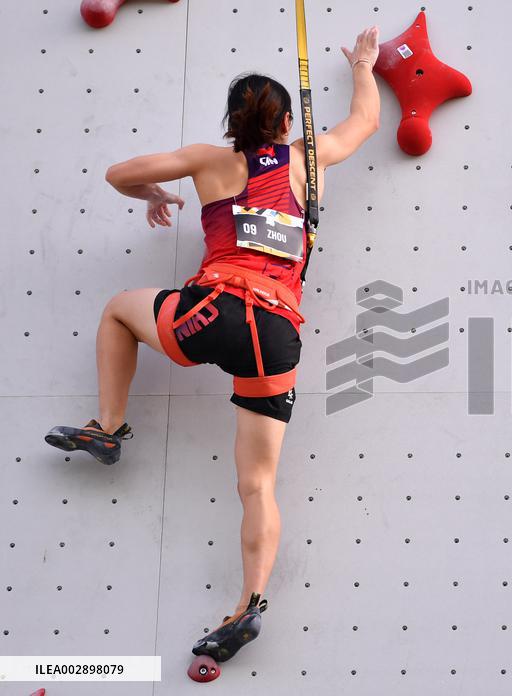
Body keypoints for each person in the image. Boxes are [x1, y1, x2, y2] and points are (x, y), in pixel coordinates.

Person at [45, 26, 381, 660]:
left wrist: (152, 193)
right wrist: (364, 65)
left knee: (119, 311)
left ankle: (109, 427)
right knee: (257, 483)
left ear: (232, 125)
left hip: (214, 310)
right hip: (276, 333)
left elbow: (117, 173)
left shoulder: (209, 160)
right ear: (286, 123)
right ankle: (249, 604)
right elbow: (365, 120)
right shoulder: (308, 159)